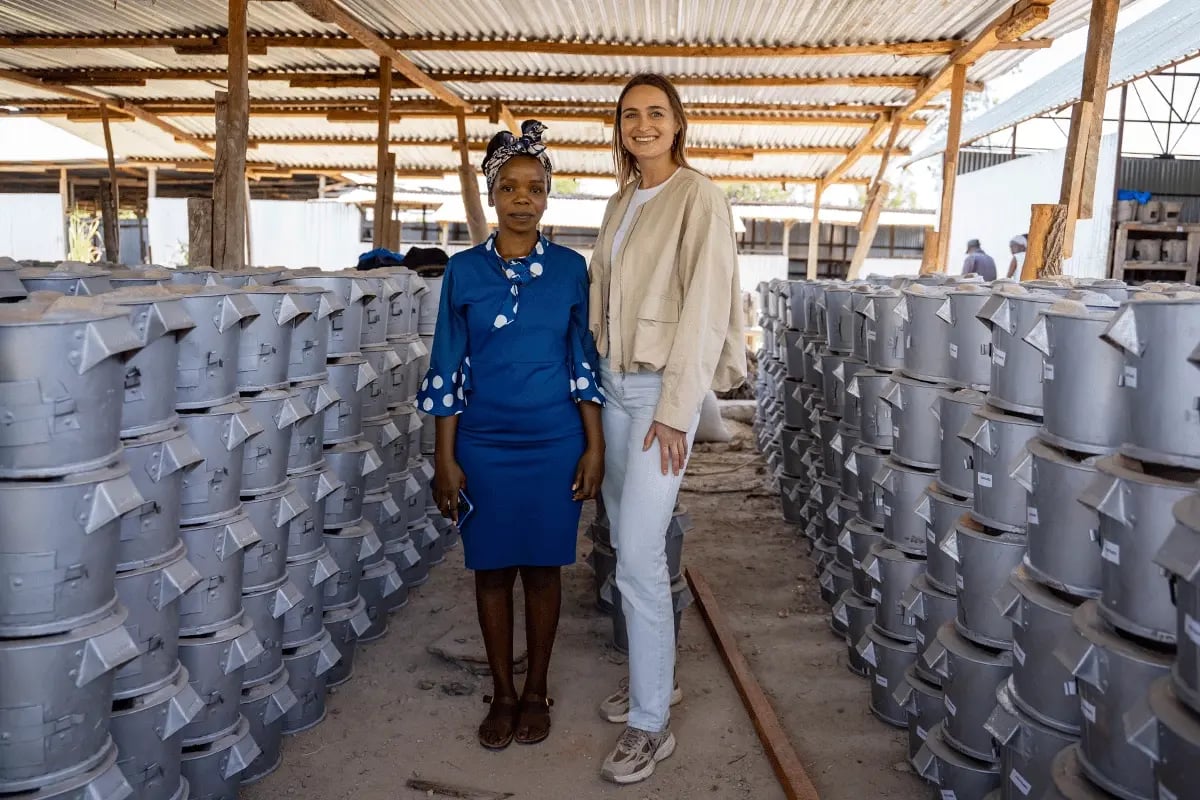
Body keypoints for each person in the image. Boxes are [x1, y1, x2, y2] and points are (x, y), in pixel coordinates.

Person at [419, 121, 605, 750]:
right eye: (510, 187)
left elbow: (583, 361)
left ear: (548, 197)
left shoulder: (571, 270)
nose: (522, 198)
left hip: (555, 443)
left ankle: (536, 691)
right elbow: (447, 366)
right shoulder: (463, 272)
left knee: (546, 570)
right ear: (492, 195)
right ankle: (501, 693)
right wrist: (445, 459)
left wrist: (594, 445)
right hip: (484, 445)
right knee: (493, 570)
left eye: (535, 188)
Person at [588, 73, 746, 785]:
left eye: (656, 114)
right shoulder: (624, 200)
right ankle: (659, 679)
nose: (642, 125)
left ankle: (652, 723)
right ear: (618, 127)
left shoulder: (698, 197)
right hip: (615, 386)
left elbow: (708, 307)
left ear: (679, 124)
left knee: (642, 557)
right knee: (624, 542)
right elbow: (604, 296)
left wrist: (677, 409)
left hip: (658, 394)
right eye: (630, 115)